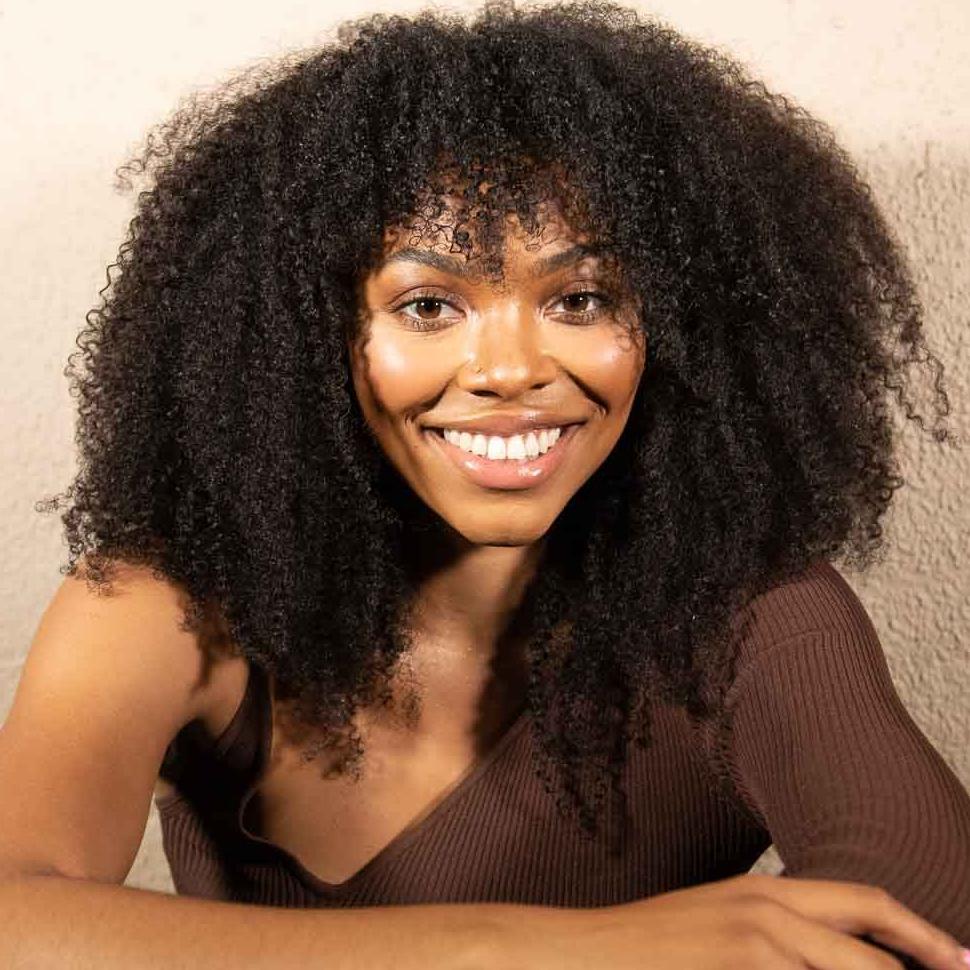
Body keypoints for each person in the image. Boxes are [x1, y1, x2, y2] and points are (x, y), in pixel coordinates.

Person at [2, 1, 969, 967]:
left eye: (579, 299)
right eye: (428, 305)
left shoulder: (752, 616)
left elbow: (923, 917)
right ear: (304, 341)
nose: (509, 368)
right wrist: (568, 951)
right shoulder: (169, 601)